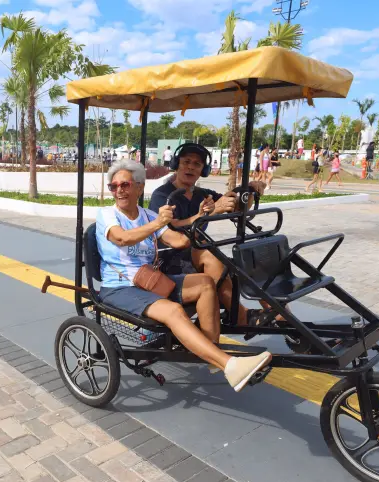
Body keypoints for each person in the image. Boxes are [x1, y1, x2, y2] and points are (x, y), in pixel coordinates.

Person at [99, 158, 272, 391]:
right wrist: (158, 223)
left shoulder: (147, 215)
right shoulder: (107, 215)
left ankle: (212, 354)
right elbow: (122, 238)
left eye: (125, 185)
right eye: (114, 186)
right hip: (120, 287)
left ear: (139, 187)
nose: (119, 190)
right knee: (174, 311)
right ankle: (229, 365)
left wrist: (201, 216)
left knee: (206, 283)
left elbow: (179, 241)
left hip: (149, 281)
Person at [148, 143, 269, 327]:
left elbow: (236, 207)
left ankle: (280, 316)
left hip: (196, 254)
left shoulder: (203, 194)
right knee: (209, 254)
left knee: (244, 262)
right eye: (186, 162)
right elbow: (170, 228)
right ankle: (240, 316)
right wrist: (212, 211)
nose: (190, 167)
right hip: (168, 259)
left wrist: (250, 190)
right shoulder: (163, 195)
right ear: (177, 164)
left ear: (202, 170)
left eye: (196, 164)